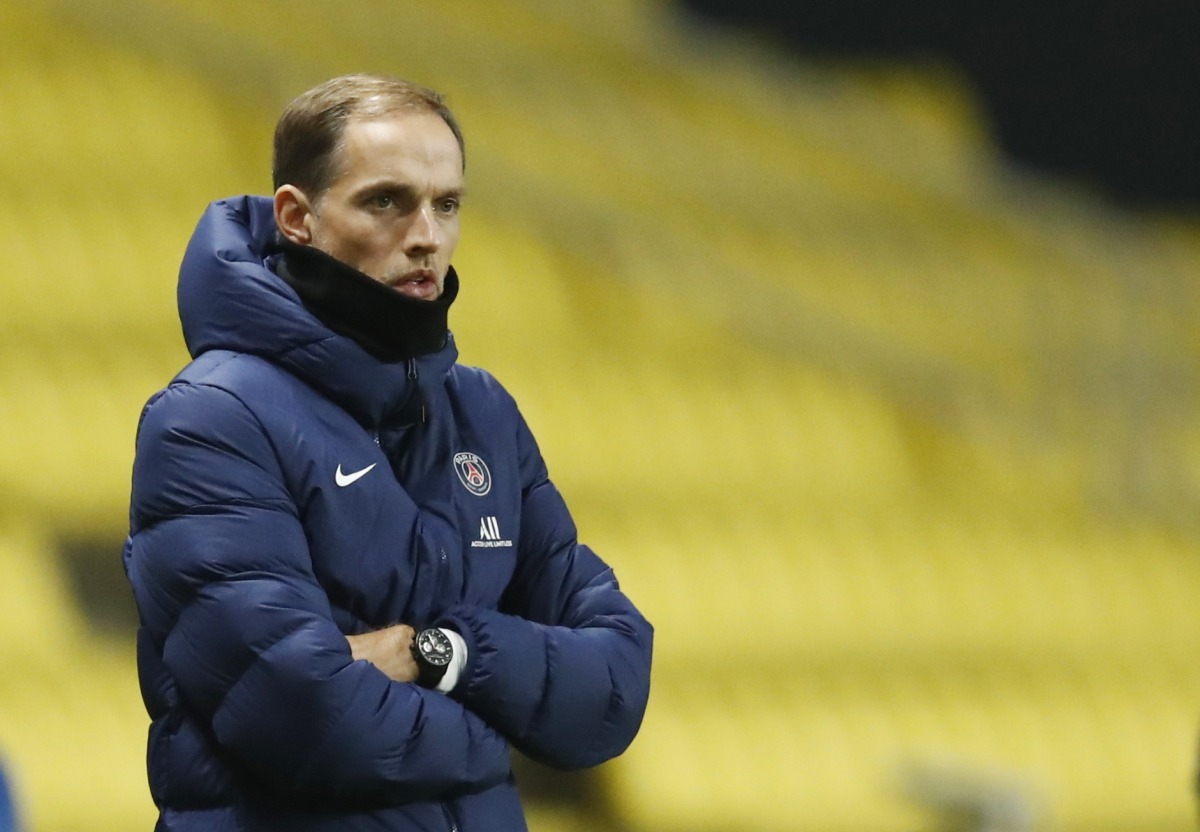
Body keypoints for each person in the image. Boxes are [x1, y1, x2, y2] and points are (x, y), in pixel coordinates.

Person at [124, 74, 653, 831]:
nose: (427, 236)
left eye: (447, 204)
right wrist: (514, 718)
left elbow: (613, 684)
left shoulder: (483, 413)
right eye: (387, 201)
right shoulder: (213, 418)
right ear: (296, 218)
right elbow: (306, 717)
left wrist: (440, 652)